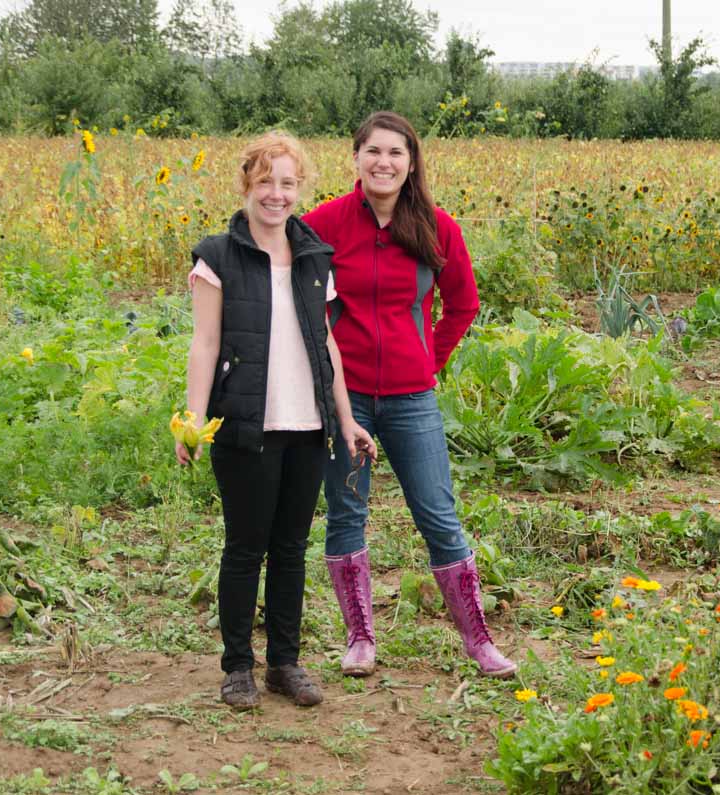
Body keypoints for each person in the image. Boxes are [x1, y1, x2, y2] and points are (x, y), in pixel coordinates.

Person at [302, 111, 516, 679]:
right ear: (355, 158)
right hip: (346, 403)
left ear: (411, 162)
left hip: (411, 397)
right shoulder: (324, 225)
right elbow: (306, 306)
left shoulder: (437, 227)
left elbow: (463, 303)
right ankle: (360, 640)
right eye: (373, 151)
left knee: (439, 516)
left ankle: (480, 641)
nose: (384, 162)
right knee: (347, 513)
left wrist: (430, 361)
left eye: (396, 153)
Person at [178, 131, 375, 709]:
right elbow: (205, 343)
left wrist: (344, 419)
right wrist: (193, 418)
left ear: (300, 189)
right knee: (245, 547)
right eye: (266, 181)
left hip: (307, 427)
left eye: (288, 183)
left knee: (291, 547)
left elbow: (328, 345)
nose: (277, 194)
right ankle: (238, 667)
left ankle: (284, 664)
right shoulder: (217, 257)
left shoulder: (314, 256)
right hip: (245, 425)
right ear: (247, 183)